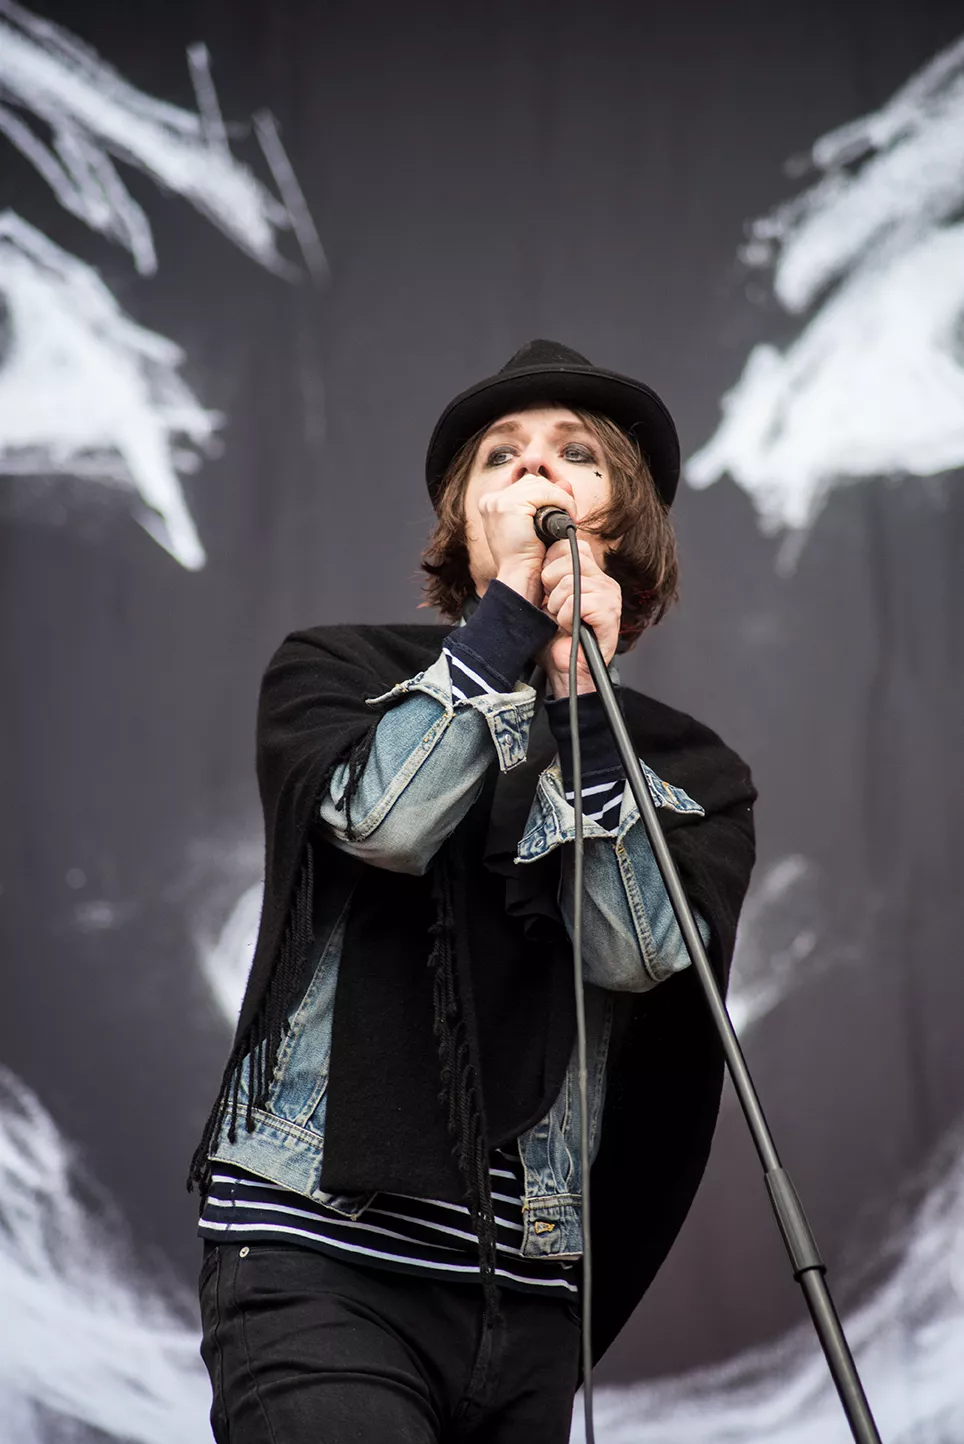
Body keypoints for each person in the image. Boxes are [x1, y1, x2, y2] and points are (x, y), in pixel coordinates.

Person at [190, 339, 756, 1443]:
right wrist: (506, 622)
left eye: (575, 454)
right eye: (502, 456)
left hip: (528, 1301)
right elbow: (386, 824)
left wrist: (581, 701)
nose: (535, 468)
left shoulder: (693, 768)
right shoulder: (337, 670)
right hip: (318, 1256)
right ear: (463, 522)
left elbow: (632, 950)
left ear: (623, 523)